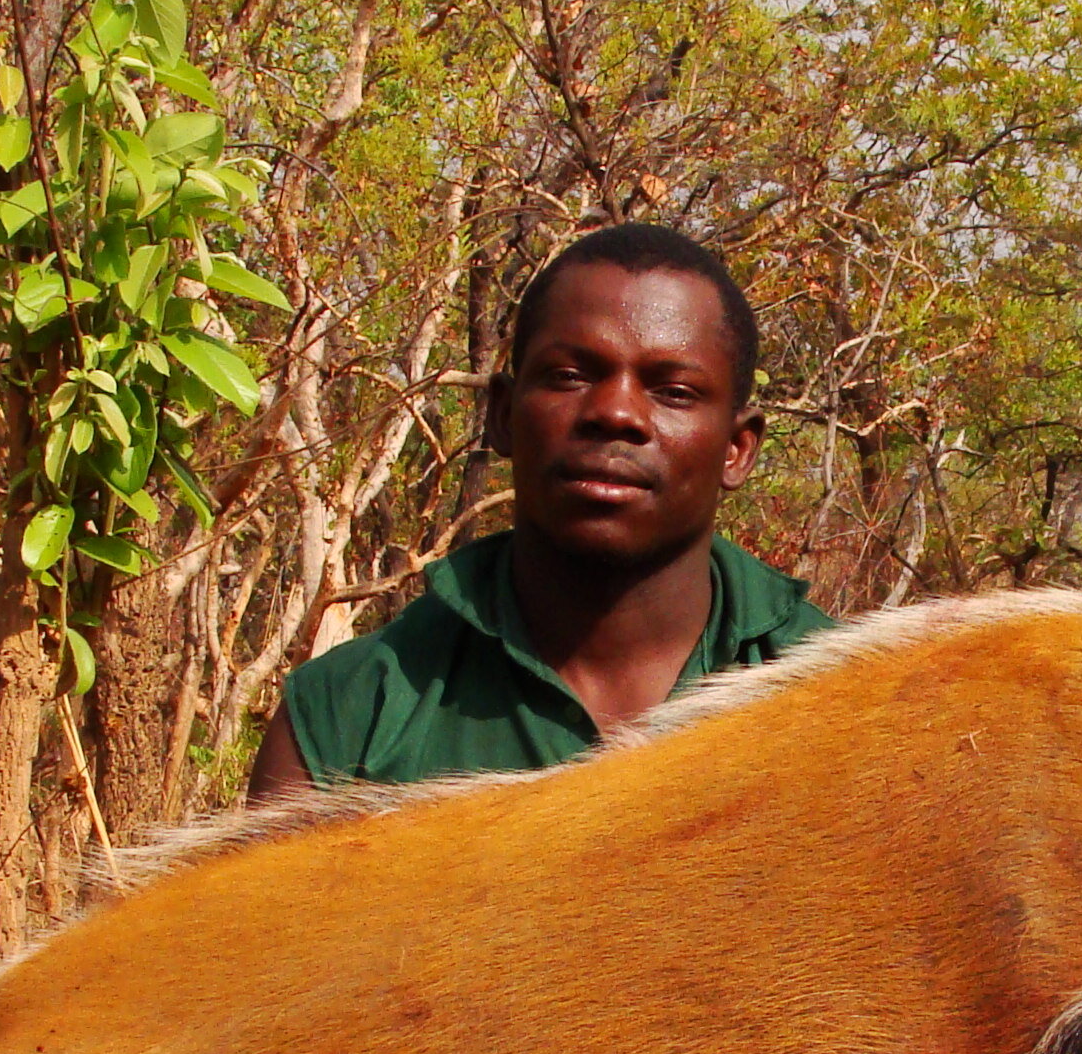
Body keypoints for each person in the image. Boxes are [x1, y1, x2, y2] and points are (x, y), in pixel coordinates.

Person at [247, 223, 832, 801]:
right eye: (569, 377)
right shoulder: (344, 722)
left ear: (738, 448)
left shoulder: (845, 698)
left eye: (673, 391)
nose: (616, 413)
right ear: (502, 414)